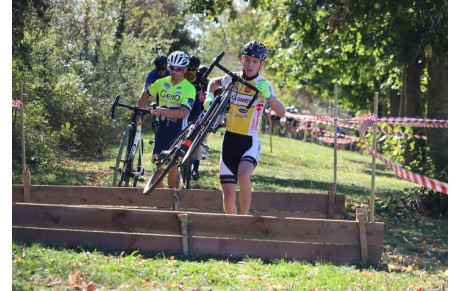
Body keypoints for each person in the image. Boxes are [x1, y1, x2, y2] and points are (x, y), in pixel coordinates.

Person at [204, 41, 285, 215]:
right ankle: (233, 228)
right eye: (247, 60)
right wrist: (209, 96)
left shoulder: (264, 84)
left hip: (250, 140)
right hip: (229, 140)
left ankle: (245, 219)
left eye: (255, 62)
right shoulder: (233, 78)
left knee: (243, 175)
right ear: (242, 59)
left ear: (262, 64)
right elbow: (213, 82)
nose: (250, 65)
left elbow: (282, 112)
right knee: (228, 197)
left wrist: (268, 96)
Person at [137, 51, 196, 189]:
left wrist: (162, 111)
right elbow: (145, 94)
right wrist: (140, 113)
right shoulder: (160, 83)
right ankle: (161, 204)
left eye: (178, 69)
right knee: (157, 170)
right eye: (171, 67)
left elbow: (183, 112)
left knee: (173, 168)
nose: (174, 71)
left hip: (178, 133)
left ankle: (173, 198)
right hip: (162, 131)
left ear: (185, 69)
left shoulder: (189, 88)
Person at [185, 56, 208, 180]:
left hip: (195, 111)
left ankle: (196, 169)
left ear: (197, 70)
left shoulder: (201, 80)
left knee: (196, 139)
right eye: (188, 69)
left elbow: (210, 94)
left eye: (193, 70)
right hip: (182, 109)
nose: (190, 72)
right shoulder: (181, 77)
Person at [144, 55, 170, 132]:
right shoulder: (151, 75)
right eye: (159, 68)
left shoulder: (170, 74)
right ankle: (156, 122)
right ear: (156, 67)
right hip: (159, 95)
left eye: (163, 68)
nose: (161, 71)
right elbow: (145, 91)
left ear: (167, 67)